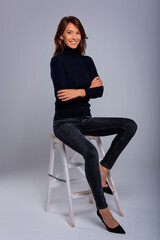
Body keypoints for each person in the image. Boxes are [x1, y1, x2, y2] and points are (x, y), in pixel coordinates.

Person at [50, 16, 137, 234]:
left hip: (85, 119)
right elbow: (62, 96)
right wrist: (88, 88)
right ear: (61, 35)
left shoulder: (87, 61)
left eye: (77, 33)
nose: (74, 37)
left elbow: (100, 91)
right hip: (64, 122)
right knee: (89, 151)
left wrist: (79, 91)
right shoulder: (57, 61)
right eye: (69, 32)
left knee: (129, 125)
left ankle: (104, 169)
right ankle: (103, 209)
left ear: (82, 36)